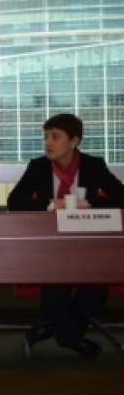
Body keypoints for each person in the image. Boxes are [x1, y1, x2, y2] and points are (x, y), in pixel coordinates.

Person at [7, 113, 124, 357]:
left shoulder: (93, 166)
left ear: (74, 141)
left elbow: (121, 197)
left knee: (96, 291)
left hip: (86, 245)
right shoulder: (38, 167)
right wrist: (51, 205)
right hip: (49, 246)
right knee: (55, 288)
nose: (48, 143)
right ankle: (70, 339)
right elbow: (14, 202)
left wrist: (88, 204)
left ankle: (51, 329)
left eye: (55, 137)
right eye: (46, 137)